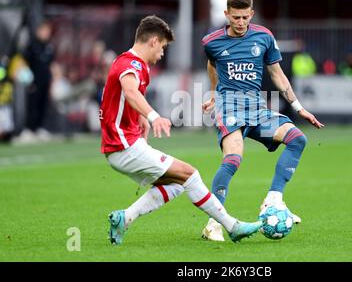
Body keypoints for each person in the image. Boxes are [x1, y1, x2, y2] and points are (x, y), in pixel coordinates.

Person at [100, 15, 262, 245]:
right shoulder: (132, 64)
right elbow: (130, 91)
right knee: (191, 174)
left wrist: (139, 118)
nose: (163, 53)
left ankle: (124, 218)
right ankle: (232, 226)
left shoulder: (130, 63)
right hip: (124, 146)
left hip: (122, 146)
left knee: (176, 184)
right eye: (163, 47)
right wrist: (153, 116)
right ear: (154, 41)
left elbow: (124, 97)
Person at [200, 0, 324, 241]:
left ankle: (273, 199)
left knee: (297, 139)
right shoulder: (211, 41)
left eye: (245, 17)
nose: (241, 22)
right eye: (236, 17)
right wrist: (214, 94)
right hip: (229, 108)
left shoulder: (264, 36)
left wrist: (299, 107)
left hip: (257, 109)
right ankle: (213, 222)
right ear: (226, 15)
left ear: (251, 14)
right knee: (234, 157)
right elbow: (212, 64)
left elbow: (277, 74)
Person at [20, 21, 55, 141]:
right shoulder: (32, 45)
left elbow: (51, 64)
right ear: (38, 31)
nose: (47, 34)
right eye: (44, 31)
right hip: (33, 81)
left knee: (43, 104)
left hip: (45, 81)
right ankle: (28, 129)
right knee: (32, 105)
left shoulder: (49, 47)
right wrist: (26, 77)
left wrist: (52, 80)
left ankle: (40, 128)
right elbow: (23, 61)